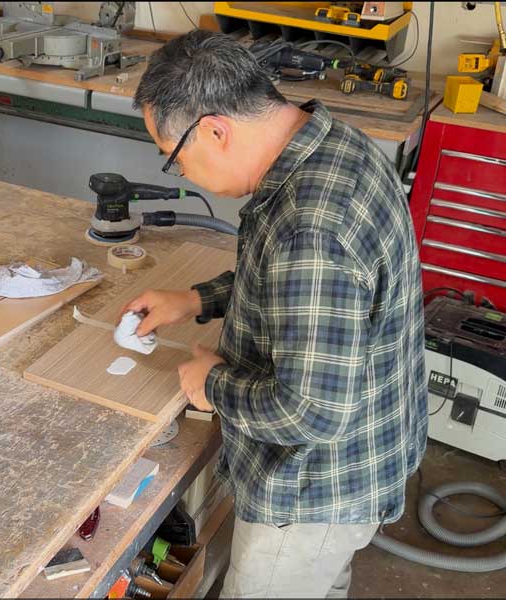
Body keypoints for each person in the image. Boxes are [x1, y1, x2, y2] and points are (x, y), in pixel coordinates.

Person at [123, 31, 427, 598]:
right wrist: (195, 300)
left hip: (313, 493)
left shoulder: (311, 224)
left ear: (215, 130)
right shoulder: (327, 146)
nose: (181, 174)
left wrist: (211, 382)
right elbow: (288, 287)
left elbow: (309, 412)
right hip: (352, 464)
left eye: (176, 159)